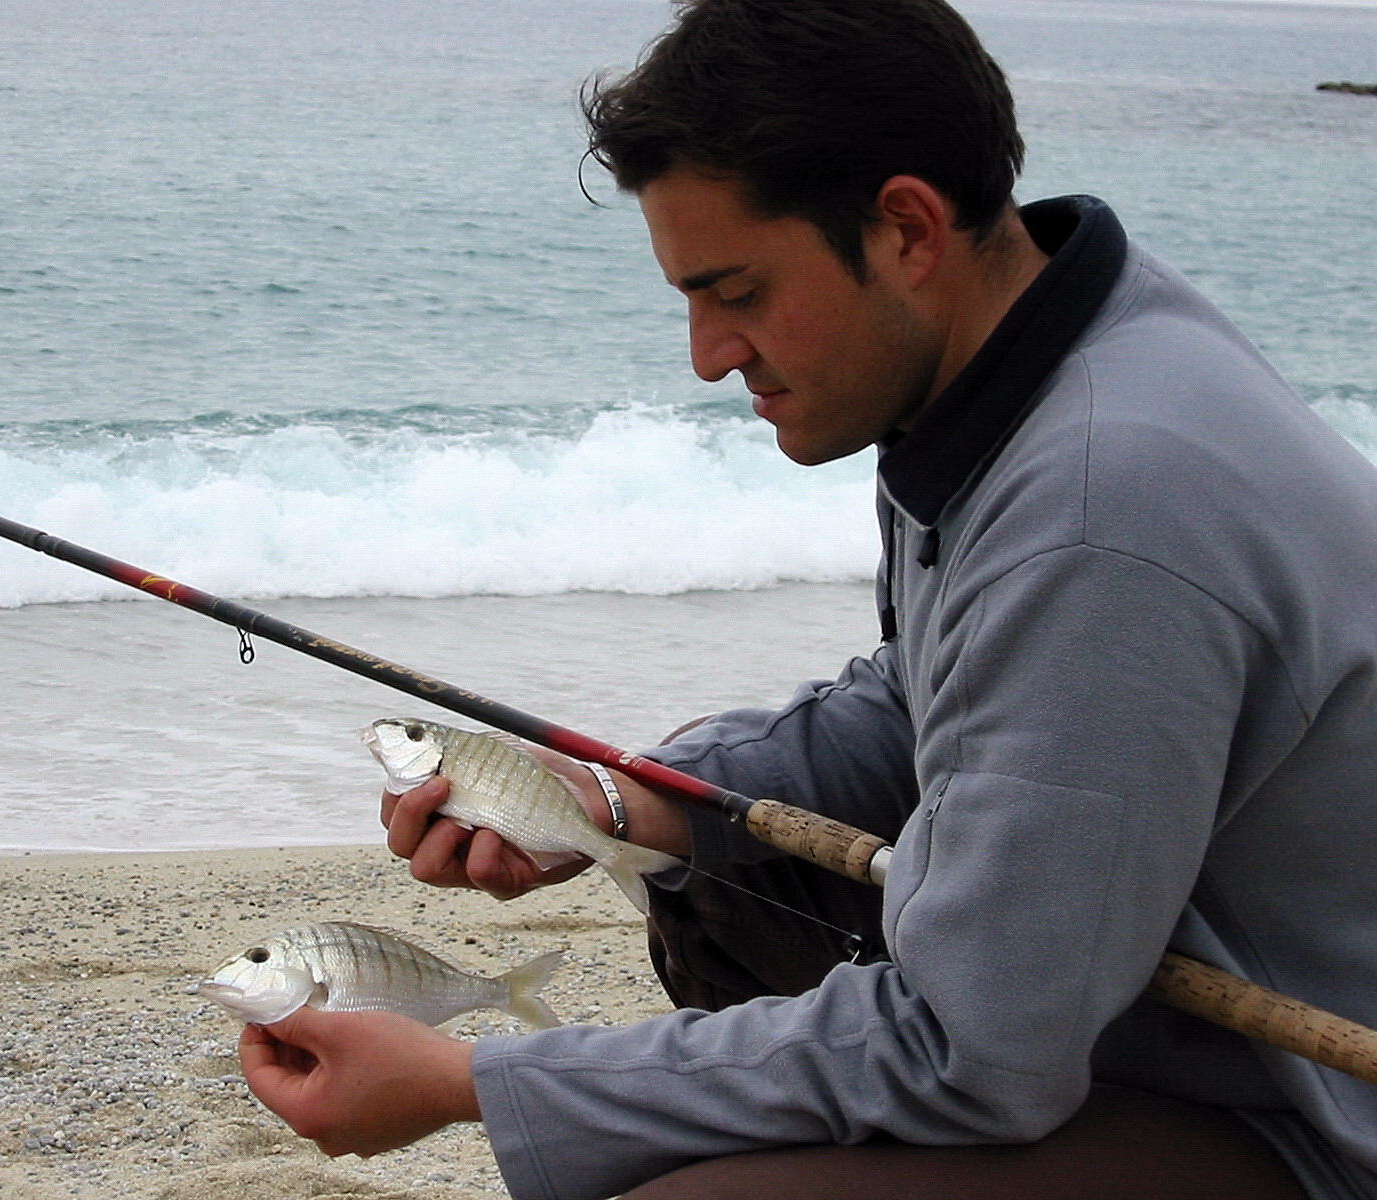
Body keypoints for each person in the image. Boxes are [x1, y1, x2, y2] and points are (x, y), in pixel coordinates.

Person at [237, 2, 1377, 1197]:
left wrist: (473, 1082)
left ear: (905, 228)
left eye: (734, 289)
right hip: (1154, 1022)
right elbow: (936, 702)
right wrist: (637, 807)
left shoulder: (1104, 505)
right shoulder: (1038, 356)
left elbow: (969, 1050)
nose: (707, 354)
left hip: (1317, 1116)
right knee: (731, 886)